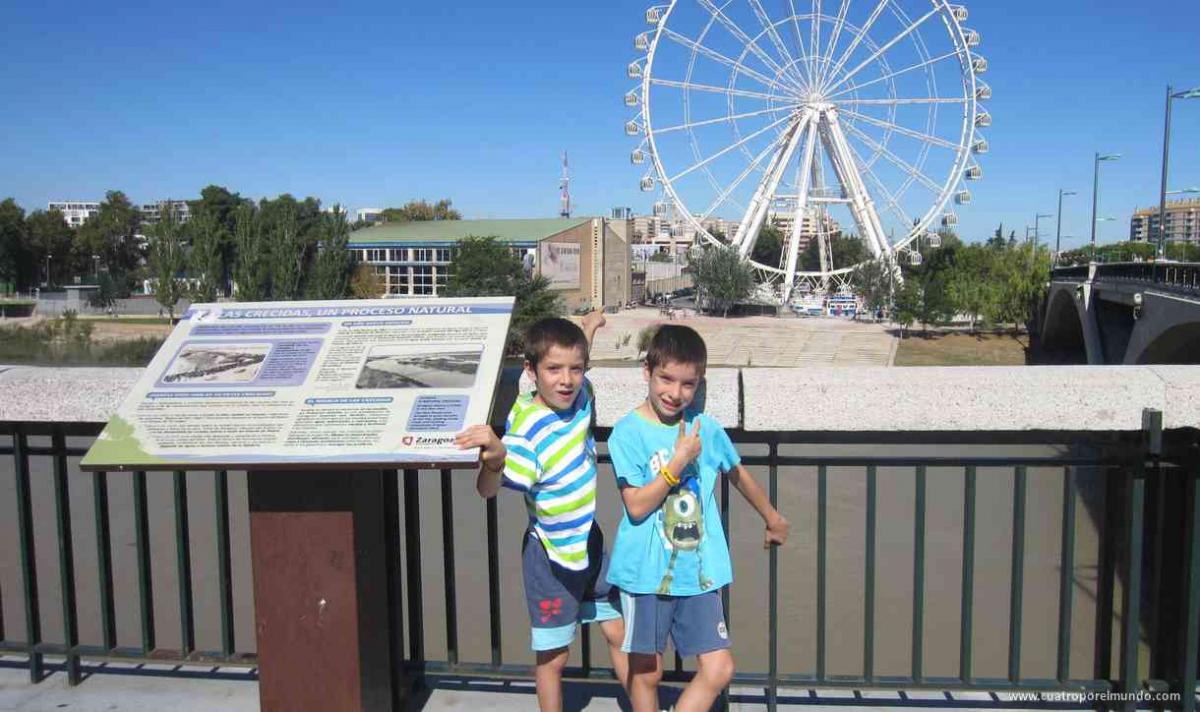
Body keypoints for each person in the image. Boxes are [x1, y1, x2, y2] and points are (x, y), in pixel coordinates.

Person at [606, 324, 789, 712]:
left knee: (719, 668)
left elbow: (738, 474)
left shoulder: (706, 428)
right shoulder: (626, 433)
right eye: (666, 379)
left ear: (699, 383)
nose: (675, 393)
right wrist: (678, 462)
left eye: (687, 384)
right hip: (644, 574)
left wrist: (772, 517)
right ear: (647, 373)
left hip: (700, 573)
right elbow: (637, 506)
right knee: (647, 672)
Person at [455, 312, 629, 712]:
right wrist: (496, 456)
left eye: (575, 369)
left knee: (620, 633)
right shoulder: (525, 430)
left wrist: (588, 329)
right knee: (554, 658)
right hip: (550, 557)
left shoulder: (581, 396)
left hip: (589, 541)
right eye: (553, 369)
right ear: (531, 372)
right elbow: (485, 491)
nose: (565, 380)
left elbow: (572, 358)